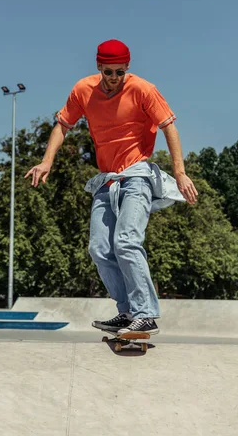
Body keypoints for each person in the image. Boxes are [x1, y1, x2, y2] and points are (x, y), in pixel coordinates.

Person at [25, 39, 198, 336]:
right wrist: (46, 162)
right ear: (98, 67)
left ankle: (146, 314)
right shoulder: (83, 90)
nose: (114, 78)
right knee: (100, 248)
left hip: (137, 177)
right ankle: (127, 311)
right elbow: (62, 126)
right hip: (107, 180)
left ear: (128, 67)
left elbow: (170, 127)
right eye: (108, 72)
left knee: (127, 241)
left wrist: (180, 174)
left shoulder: (143, 89)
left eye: (119, 72)